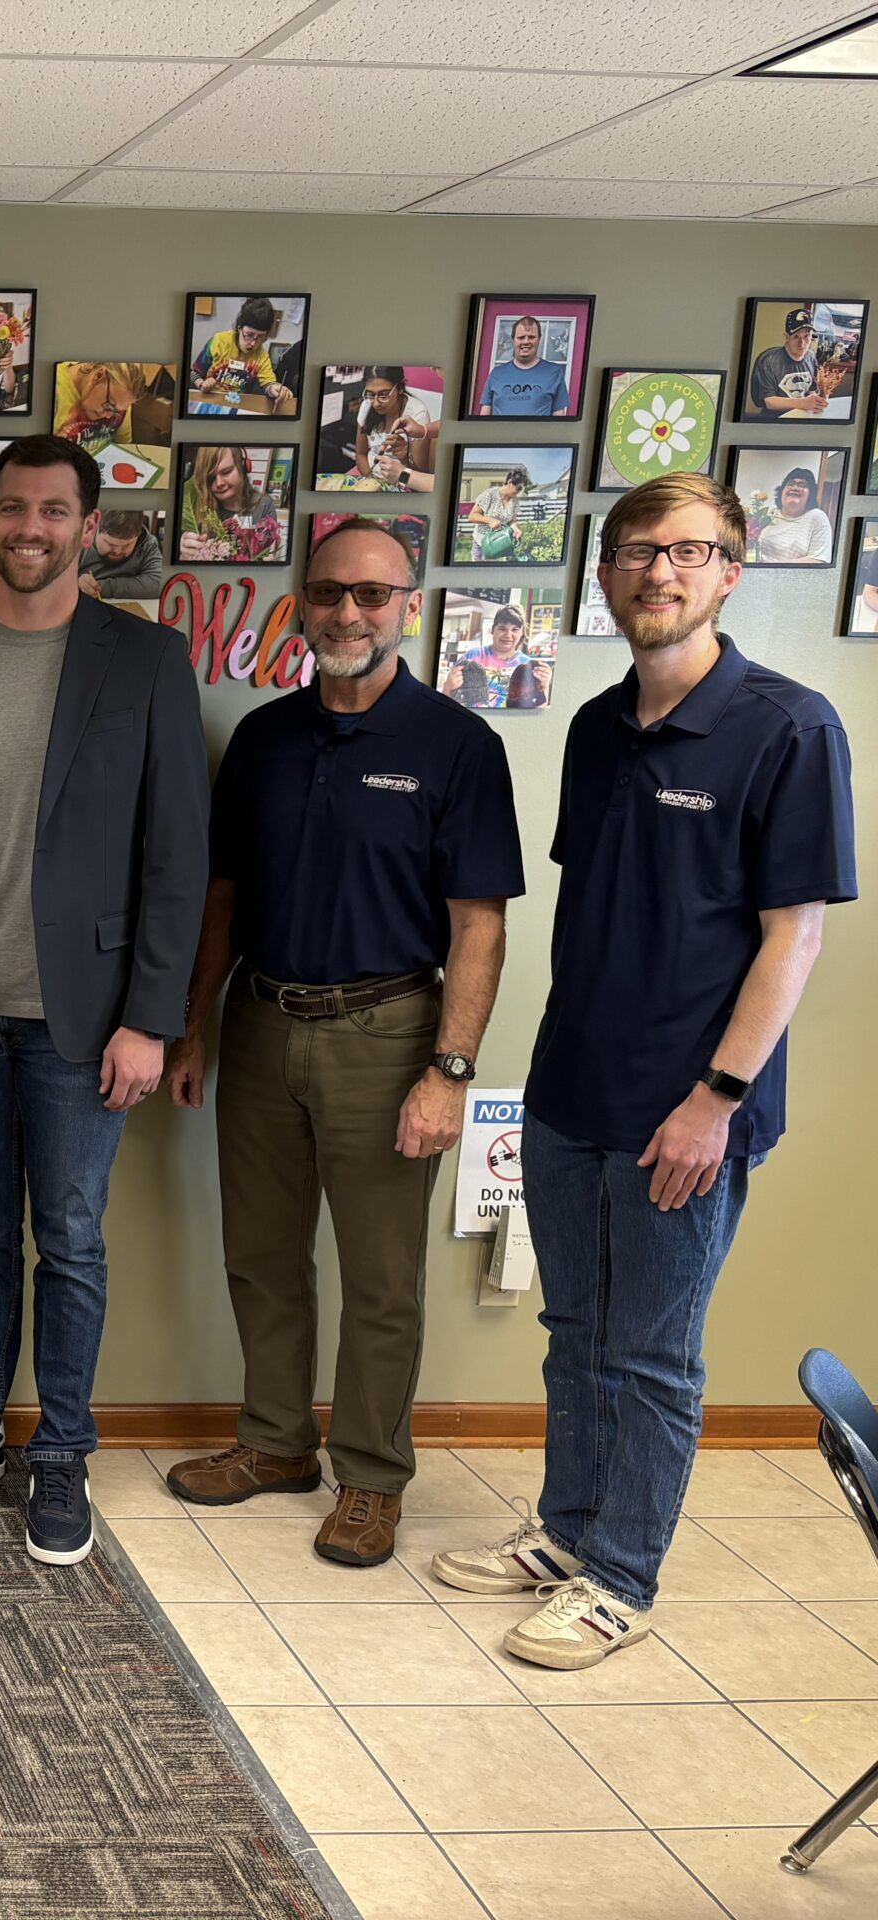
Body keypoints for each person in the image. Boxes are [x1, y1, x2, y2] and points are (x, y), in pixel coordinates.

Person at [432, 472, 855, 1668]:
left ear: (730, 571)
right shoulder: (593, 726)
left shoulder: (788, 727)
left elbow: (792, 938)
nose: (657, 571)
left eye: (687, 550)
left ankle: (620, 1577)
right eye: (634, 550)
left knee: (653, 1353)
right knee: (574, 1328)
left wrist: (715, 1101)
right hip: (572, 1088)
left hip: (689, 1105)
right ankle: (566, 1534)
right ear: (605, 573)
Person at [0, 435, 209, 1567]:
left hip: (89, 1018)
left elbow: (178, 855)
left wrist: (152, 1018)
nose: (30, 529)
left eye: (54, 511)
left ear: (89, 526)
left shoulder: (147, 662)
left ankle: (61, 1451)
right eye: (13, 509)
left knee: (69, 1240)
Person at [159, 521, 523, 1566]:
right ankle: (275, 1442)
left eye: (370, 594)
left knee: (381, 1277)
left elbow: (479, 925)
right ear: (301, 604)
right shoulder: (263, 739)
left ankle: (370, 1477)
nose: (347, 613)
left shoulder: (456, 746)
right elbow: (221, 899)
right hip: (261, 1022)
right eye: (326, 592)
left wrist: (449, 1072)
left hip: (389, 1031)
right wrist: (191, 1026)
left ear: (408, 603)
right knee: (262, 1255)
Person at [328, 366, 435, 492]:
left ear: (400, 388)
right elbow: (360, 454)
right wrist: (372, 482)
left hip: (402, 482)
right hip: (369, 474)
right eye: (370, 394)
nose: (376, 403)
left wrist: (405, 458)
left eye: (384, 395)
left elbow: (421, 474)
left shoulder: (417, 415)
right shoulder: (367, 404)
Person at [188, 297, 296, 414]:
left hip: (238, 406)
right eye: (249, 335)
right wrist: (202, 384)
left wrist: (275, 389)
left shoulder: (262, 356)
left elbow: (268, 384)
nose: (253, 343)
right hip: (209, 401)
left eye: (260, 337)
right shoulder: (219, 342)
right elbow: (194, 373)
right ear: (239, 328)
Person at [180, 445, 278, 563]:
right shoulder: (193, 507)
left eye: (226, 472)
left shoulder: (264, 505)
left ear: (243, 467)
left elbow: (268, 555)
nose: (219, 483)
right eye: (211, 478)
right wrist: (183, 554)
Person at [476, 314, 568, 417]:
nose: (526, 341)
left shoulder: (554, 373)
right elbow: (484, 415)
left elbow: (559, 417)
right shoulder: (496, 374)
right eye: (521, 337)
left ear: (539, 339)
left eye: (531, 337)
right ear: (513, 340)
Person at [747, 306, 829, 418]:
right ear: (786, 337)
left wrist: (818, 400)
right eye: (796, 336)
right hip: (775, 419)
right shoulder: (769, 361)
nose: (802, 343)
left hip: (802, 416)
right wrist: (803, 403)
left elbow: (811, 391)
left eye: (806, 336)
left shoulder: (811, 357)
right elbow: (769, 402)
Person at [753, 465, 833, 564]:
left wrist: (773, 566)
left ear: (811, 494)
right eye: (791, 483)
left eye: (802, 485)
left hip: (794, 574)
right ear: (782, 491)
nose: (795, 488)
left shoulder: (817, 517)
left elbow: (820, 560)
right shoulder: (769, 515)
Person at [80, 509, 163, 601]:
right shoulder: (77, 540)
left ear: (138, 536)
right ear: (96, 528)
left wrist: (102, 587)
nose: (118, 551)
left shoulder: (147, 545)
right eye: (110, 544)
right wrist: (76, 584)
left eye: (126, 545)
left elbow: (159, 583)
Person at [465, 469, 525, 562]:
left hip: (500, 544)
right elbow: (472, 516)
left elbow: (512, 520)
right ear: (510, 483)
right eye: (519, 489)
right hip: (482, 544)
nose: (519, 492)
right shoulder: (490, 494)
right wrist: (490, 521)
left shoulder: (514, 500)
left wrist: (516, 529)